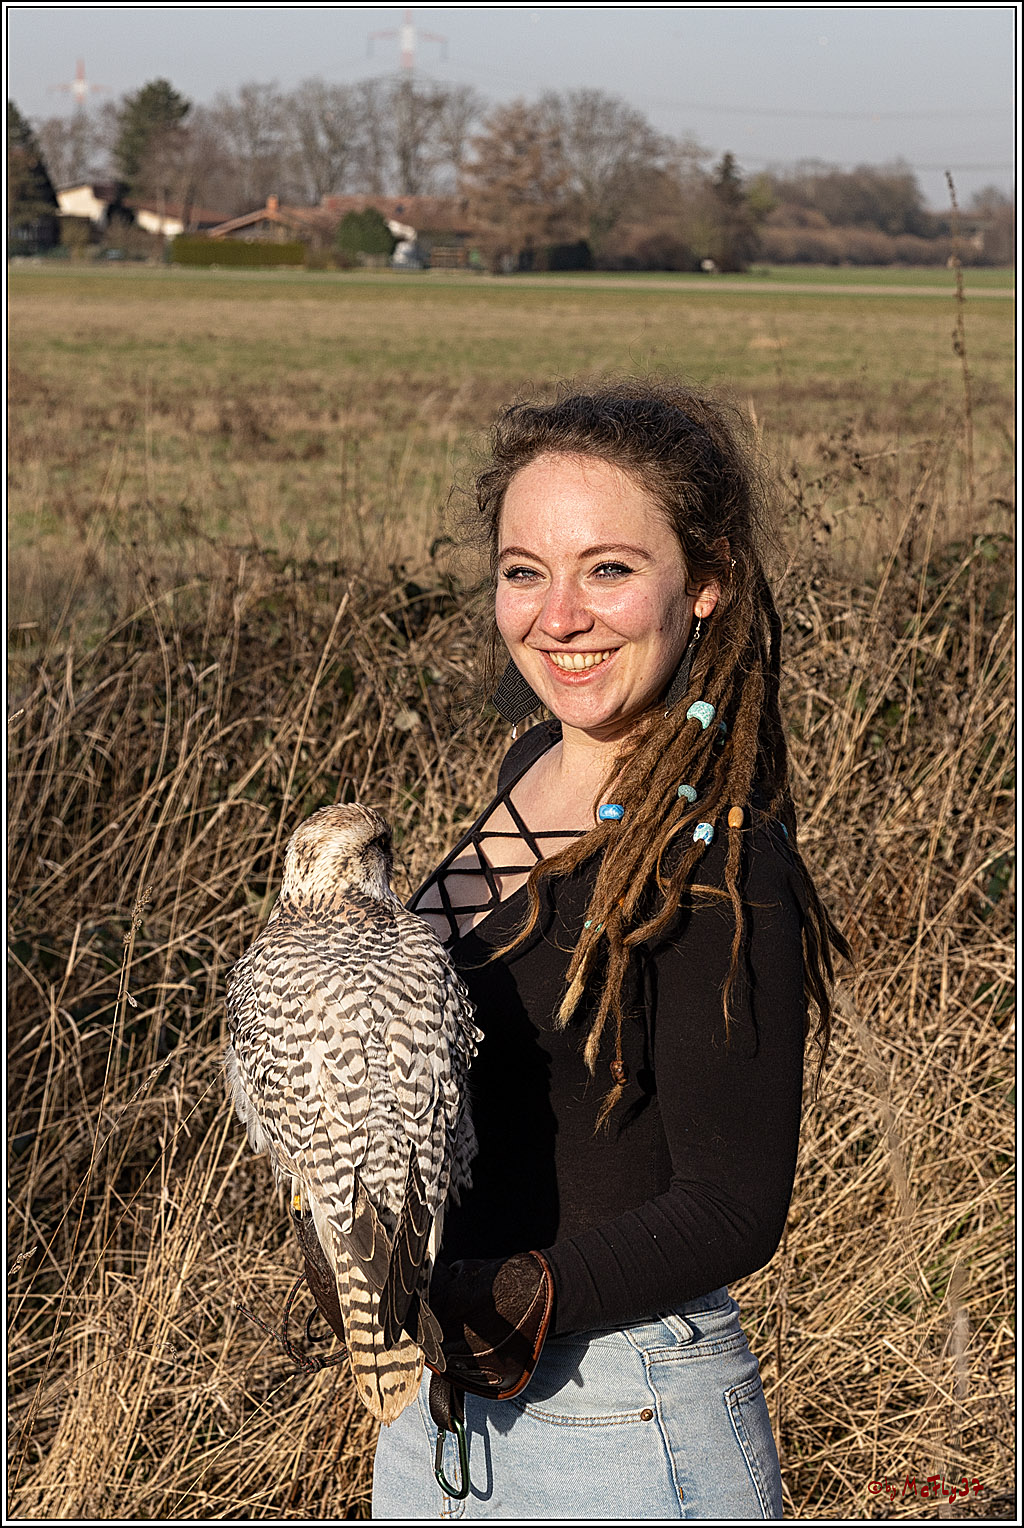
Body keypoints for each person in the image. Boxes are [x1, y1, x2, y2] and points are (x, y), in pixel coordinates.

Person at [371, 381, 847, 1520]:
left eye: (610, 569)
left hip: (619, 1422)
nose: (558, 615)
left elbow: (735, 1204)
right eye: (524, 570)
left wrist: (514, 1292)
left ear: (707, 582)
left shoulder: (717, 857)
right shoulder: (529, 765)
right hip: (436, 1417)